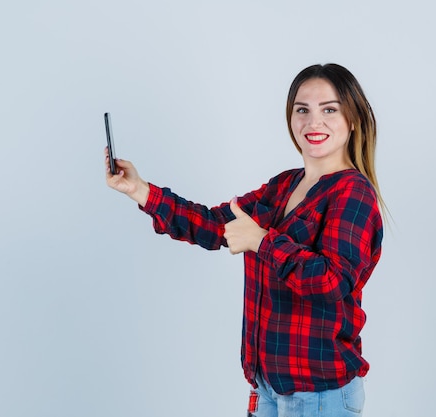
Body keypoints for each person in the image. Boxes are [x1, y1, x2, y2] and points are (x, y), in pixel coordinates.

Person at [105, 63, 384, 417]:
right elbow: (214, 224)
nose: (314, 122)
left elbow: (330, 282)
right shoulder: (284, 185)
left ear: (354, 119)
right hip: (267, 387)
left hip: (318, 395)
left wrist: (263, 241)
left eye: (329, 110)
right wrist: (142, 191)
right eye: (303, 110)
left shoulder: (353, 194)